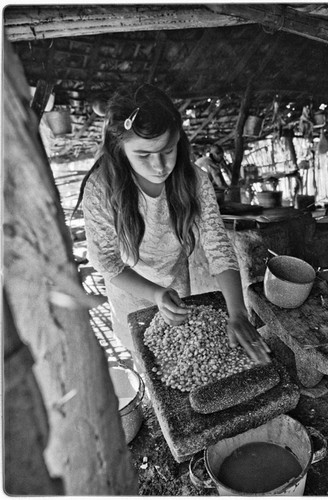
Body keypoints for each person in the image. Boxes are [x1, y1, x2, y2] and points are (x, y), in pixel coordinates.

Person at [75, 83, 270, 365]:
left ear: (179, 137)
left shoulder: (195, 180)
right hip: (130, 296)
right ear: (120, 149)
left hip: (178, 293)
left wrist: (237, 311)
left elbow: (217, 245)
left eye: (168, 150)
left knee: (179, 360)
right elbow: (105, 261)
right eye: (143, 155)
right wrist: (154, 293)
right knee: (145, 362)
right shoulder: (102, 189)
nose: (159, 166)